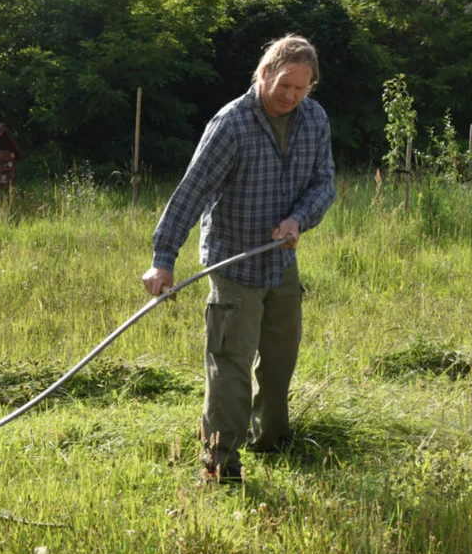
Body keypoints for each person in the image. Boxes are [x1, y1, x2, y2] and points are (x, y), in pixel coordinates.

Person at [142, 34, 336, 484]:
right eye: (284, 84)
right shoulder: (232, 124)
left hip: (282, 264)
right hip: (233, 265)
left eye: (301, 88)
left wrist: (298, 219)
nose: (290, 96)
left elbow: (324, 183)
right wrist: (163, 258)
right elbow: (191, 192)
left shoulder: (315, 119)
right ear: (264, 74)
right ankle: (220, 466)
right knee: (230, 365)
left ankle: (270, 442)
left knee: (280, 359)